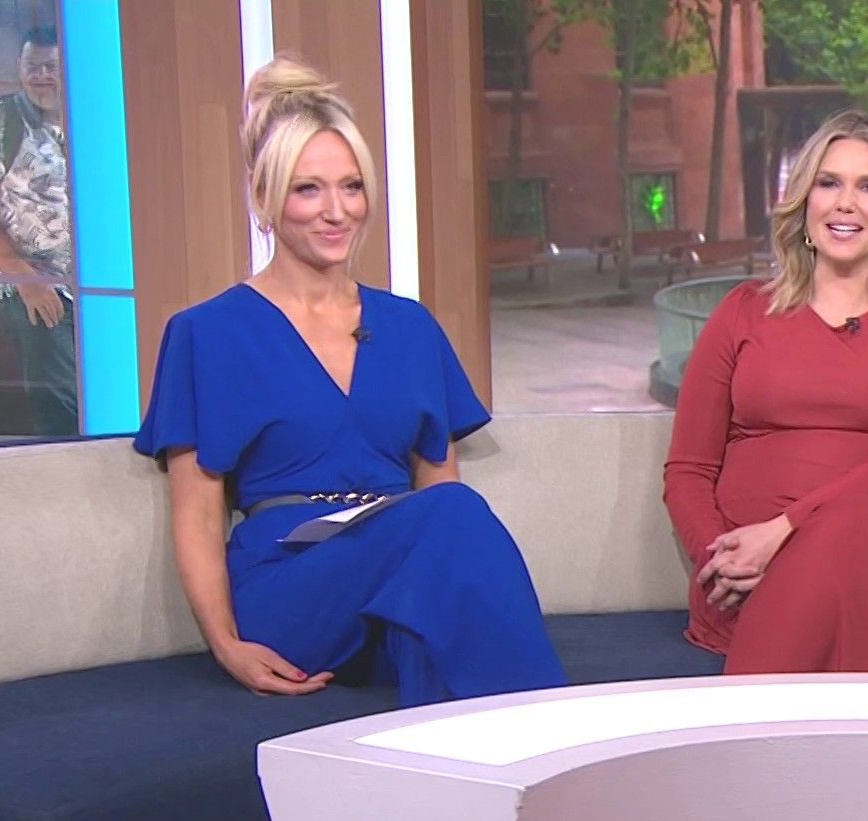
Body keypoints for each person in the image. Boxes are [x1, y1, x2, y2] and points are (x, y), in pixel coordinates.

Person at [133, 56, 565, 706]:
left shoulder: (410, 327)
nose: (336, 211)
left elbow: (436, 486)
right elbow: (196, 513)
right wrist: (226, 645)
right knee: (452, 518)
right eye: (309, 190)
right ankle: (554, 735)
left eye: (352, 187)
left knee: (439, 619)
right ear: (265, 199)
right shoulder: (207, 333)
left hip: (394, 579)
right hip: (290, 585)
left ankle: (465, 762)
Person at [662, 110, 868, 673]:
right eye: (829, 182)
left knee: (848, 526)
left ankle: (749, 726)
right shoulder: (742, 312)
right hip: (745, 578)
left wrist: (784, 532)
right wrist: (724, 559)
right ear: (804, 200)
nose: (845, 204)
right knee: (820, 566)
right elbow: (688, 469)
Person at [0, 26, 76, 436]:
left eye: (51, 66)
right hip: (39, 292)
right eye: (32, 66)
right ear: (19, 68)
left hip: (100, 291)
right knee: (62, 415)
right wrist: (27, 281)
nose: (41, 75)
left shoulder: (93, 113)